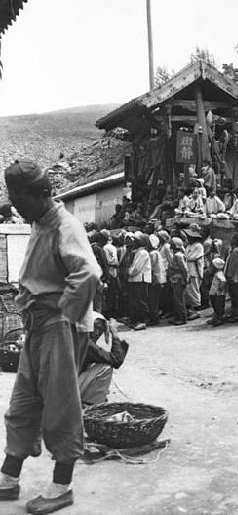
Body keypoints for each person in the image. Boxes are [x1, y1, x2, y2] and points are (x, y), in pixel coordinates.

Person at [0, 159, 100, 512]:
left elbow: (88, 273)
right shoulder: (40, 222)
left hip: (58, 323)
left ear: (42, 194)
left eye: (20, 200)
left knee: (60, 406)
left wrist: (63, 315)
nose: (15, 206)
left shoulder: (65, 225)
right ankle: (9, 477)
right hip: (38, 323)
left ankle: (62, 485)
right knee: (24, 401)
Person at [78, 312, 128, 406]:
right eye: (95, 327)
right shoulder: (87, 344)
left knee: (95, 364)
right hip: (66, 390)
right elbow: (116, 360)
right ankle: (91, 405)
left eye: (101, 329)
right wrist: (114, 333)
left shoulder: (76, 338)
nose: (97, 333)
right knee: (105, 368)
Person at [127, 232, 151, 331]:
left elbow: (136, 268)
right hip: (136, 279)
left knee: (140, 300)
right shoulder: (138, 252)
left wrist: (129, 272)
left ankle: (143, 321)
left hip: (140, 279)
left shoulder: (142, 253)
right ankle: (137, 320)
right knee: (136, 301)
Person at [184, 224, 204, 319]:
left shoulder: (198, 246)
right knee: (188, 291)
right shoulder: (189, 246)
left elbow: (192, 257)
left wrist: (184, 258)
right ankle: (189, 309)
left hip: (194, 271)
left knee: (194, 290)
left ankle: (197, 311)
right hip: (187, 269)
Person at [224, 233, 238, 322]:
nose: (231, 240)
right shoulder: (237, 250)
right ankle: (234, 314)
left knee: (235, 297)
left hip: (235, 278)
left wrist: (229, 276)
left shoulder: (236, 251)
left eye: (233, 239)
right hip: (237, 277)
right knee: (235, 297)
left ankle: (236, 315)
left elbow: (234, 265)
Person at [169, 237, 189, 325]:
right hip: (175, 279)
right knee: (176, 299)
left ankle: (182, 318)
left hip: (179, 279)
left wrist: (186, 279)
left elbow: (184, 269)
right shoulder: (177, 254)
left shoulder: (178, 256)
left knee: (179, 300)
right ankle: (177, 316)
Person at [101, 229, 120, 318]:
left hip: (110, 270)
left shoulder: (106, 247)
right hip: (113, 270)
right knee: (113, 293)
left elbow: (111, 260)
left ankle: (110, 312)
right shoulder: (111, 247)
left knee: (110, 293)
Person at [148, 234, 166, 325]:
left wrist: (153, 279)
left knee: (153, 300)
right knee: (155, 300)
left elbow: (151, 268)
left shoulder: (152, 254)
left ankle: (154, 319)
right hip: (160, 279)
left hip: (155, 279)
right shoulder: (157, 253)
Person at [207, 257, 227, 326]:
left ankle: (220, 318)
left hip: (219, 294)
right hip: (214, 293)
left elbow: (223, 281)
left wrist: (221, 288)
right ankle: (215, 318)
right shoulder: (215, 274)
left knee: (219, 307)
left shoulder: (219, 273)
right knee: (215, 306)